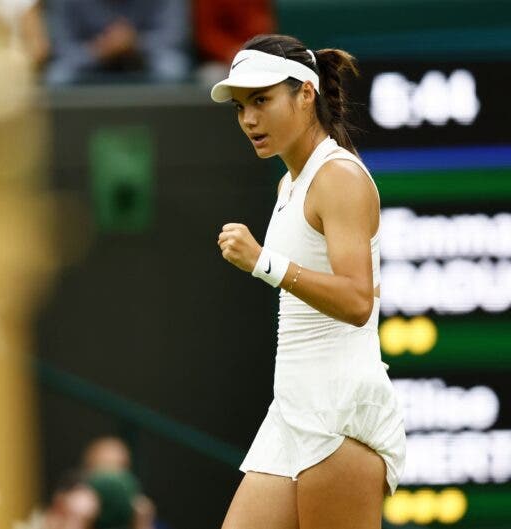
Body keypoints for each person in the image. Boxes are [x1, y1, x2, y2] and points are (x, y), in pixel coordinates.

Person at [211, 34, 406, 528]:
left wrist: (263, 262)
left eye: (261, 100)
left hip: (340, 413)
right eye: (240, 106)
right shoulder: (290, 182)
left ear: (305, 94)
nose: (249, 119)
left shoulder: (337, 176)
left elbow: (359, 300)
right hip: (293, 409)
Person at [45, 0, 189, 85]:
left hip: (143, 59)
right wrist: (100, 50)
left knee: (173, 68)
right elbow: (61, 47)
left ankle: (166, 129)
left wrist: (135, 43)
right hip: (90, 61)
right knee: (58, 76)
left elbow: (174, 36)